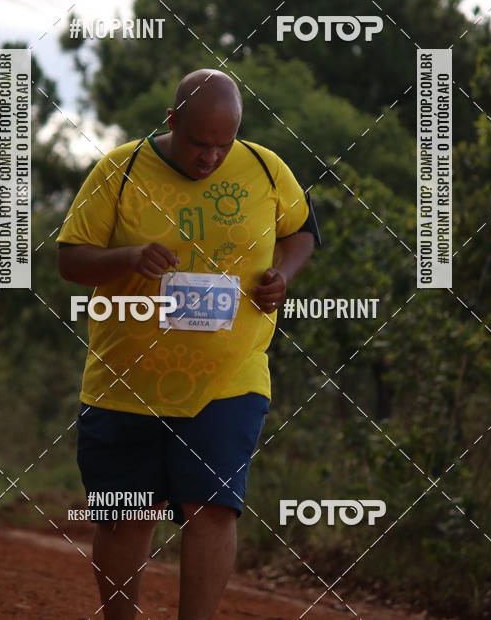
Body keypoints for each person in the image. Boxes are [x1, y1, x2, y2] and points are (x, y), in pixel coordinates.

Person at [57, 69, 320, 620]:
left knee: (214, 509)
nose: (211, 158)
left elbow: (301, 230)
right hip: (126, 382)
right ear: (173, 120)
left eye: (224, 145)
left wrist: (284, 275)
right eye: (200, 143)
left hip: (229, 379)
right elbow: (71, 259)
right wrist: (128, 258)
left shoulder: (266, 168)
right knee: (126, 516)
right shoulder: (120, 171)